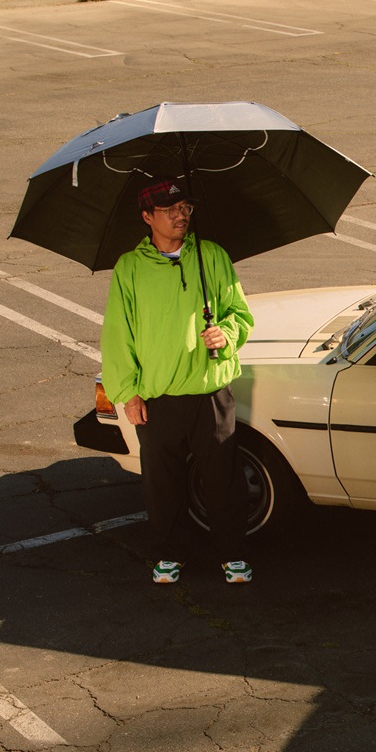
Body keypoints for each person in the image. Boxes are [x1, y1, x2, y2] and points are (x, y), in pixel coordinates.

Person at [100, 179, 256, 585]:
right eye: (170, 209)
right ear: (148, 217)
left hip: (209, 391)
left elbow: (240, 313)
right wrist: (127, 392)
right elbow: (118, 335)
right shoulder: (130, 269)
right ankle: (171, 552)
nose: (180, 215)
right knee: (161, 484)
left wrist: (226, 332)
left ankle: (231, 553)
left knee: (222, 478)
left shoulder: (213, 256)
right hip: (157, 397)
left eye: (185, 207)